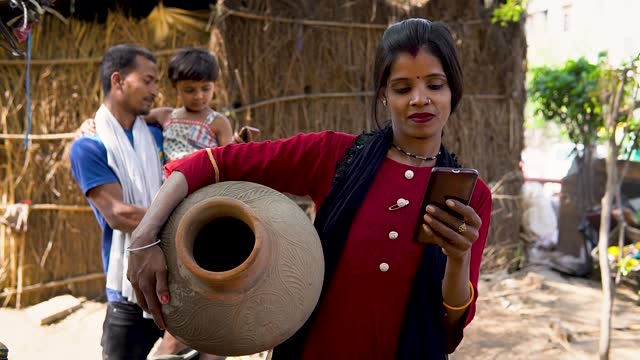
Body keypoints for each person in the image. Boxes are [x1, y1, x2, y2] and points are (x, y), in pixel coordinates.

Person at [127, 18, 493, 359]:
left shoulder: (470, 197)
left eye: (434, 84)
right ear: (383, 94)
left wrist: (458, 257)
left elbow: (448, 330)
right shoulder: (333, 155)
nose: (419, 98)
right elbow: (210, 163)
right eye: (402, 87)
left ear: (453, 90)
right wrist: (144, 237)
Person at [144, 47, 235, 162]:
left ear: (214, 86)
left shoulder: (218, 122)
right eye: (189, 90)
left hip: (205, 177)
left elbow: (228, 159)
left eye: (206, 89)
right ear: (175, 87)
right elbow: (130, 117)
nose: (198, 96)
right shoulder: (166, 115)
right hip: (171, 177)